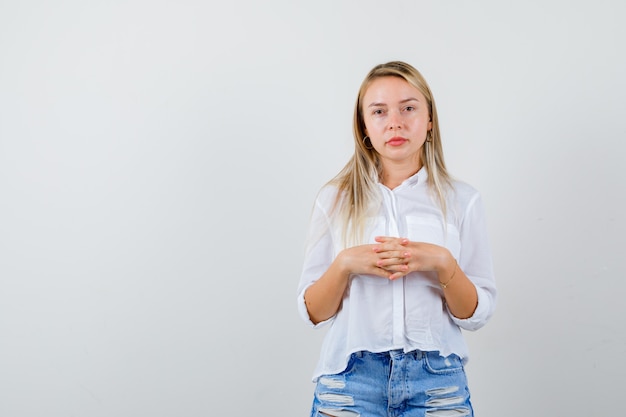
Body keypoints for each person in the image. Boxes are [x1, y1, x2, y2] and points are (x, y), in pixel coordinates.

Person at [296, 61, 497, 417]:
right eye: (379, 111)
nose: (395, 122)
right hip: (350, 381)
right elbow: (312, 311)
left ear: (430, 119)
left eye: (408, 108)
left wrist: (442, 263)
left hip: (437, 383)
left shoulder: (463, 200)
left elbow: (475, 314)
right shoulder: (334, 199)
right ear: (363, 126)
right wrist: (344, 265)